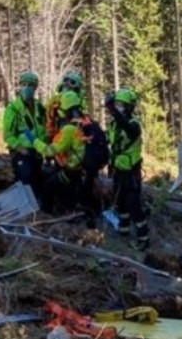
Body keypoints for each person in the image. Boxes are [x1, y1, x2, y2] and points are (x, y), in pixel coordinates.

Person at [42, 89, 108, 223]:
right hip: (89, 170)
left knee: (49, 186)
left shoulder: (69, 128)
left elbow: (54, 149)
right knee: (83, 194)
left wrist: (36, 142)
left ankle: (48, 215)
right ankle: (85, 214)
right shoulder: (88, 122)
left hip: (74, 170)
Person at [106, 88, 148, 248]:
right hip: (117, 169)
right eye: (117, 104)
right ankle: (123, 231)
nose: (118, 108)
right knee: (120, 204)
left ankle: (143, 239)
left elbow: (129, 131)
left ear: (130, 107)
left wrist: (112, 110)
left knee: (134, 205)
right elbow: (111, 141)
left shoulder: (134, 124)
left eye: (121, 105)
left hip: (131, 173)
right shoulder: (113, 124)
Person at [3, 70, 46, 186]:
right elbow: (8, 135)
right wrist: (21, 149)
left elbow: (44, 128)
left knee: (39, 183)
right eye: (24, 84)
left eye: (30, 85)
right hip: (22, 152)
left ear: (35, 87)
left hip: (38, 152)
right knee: (25, 180)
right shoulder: (13, 108)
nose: (27, 88)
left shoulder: (40, 107)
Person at [45, 70, 85, 141]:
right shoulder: (54, 99)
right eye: (66, 81)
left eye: (72, 82)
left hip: (66, 135)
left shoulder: (74, 98)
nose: (67, 84)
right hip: (56, 134)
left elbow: (77, 121)